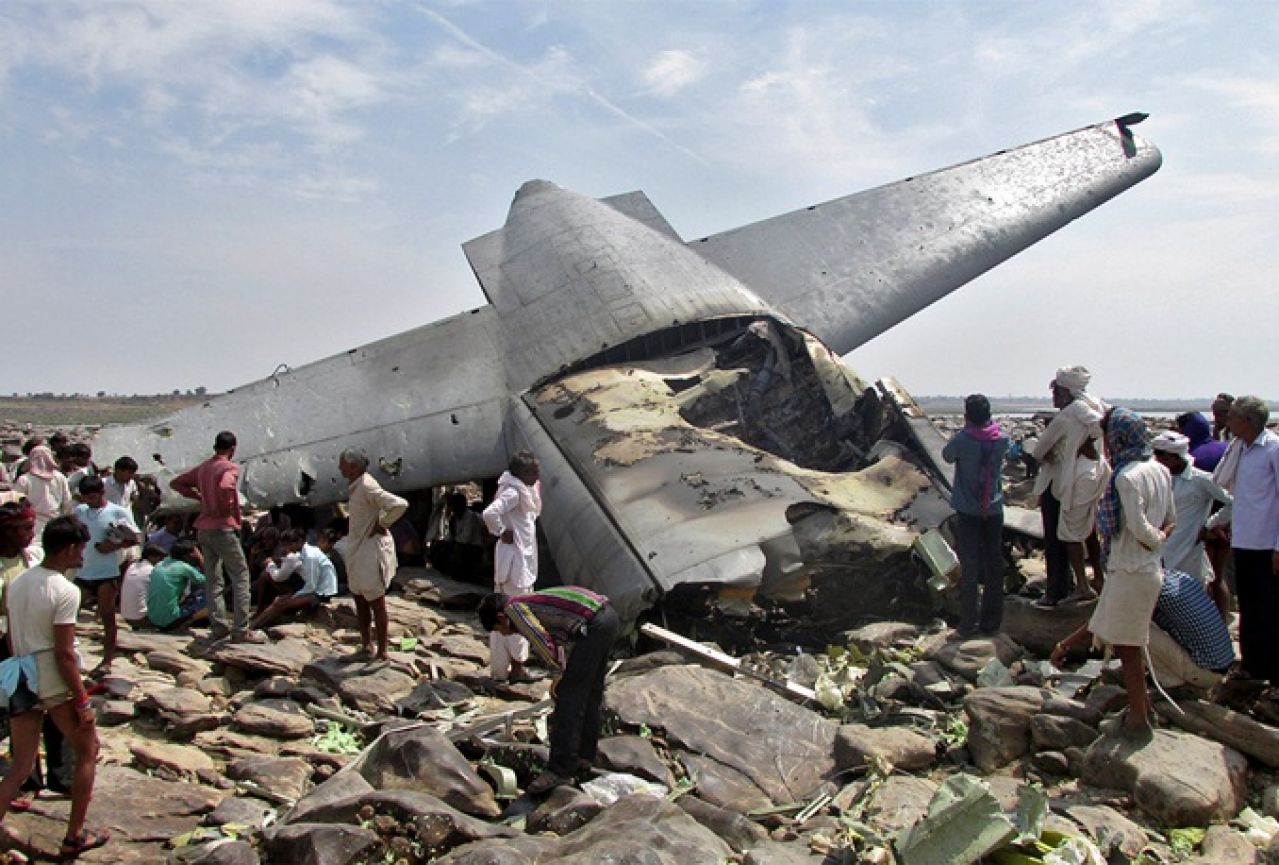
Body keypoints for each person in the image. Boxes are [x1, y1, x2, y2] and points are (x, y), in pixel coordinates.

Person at [1052, 408, 1174, 740]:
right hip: (1148, 569)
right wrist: (1160, 540)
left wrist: (1154, 540)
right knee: (1133, 640)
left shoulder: (1126, 477)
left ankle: (1137, 720)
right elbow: (1171, 518)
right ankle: (1143, 708)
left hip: (1130, 567)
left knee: (1128, 647)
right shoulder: (1159, 470)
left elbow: (1137, 527)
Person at [0, 515, 108, 858]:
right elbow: (64, 654)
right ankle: (74, 836)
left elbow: (13, 635)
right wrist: (82, 701)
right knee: (87, 750)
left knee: (21, 765)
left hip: (19, 673)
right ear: (70, 548)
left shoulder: (18, 582)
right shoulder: (65, 590)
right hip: (51, 675)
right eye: (81, 549)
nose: (82, 557)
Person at [478, 587, 619, 794]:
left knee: (568, 700)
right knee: (589, 694)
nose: (505, 633)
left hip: (593, 624)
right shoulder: (532, 603)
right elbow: (559, 641)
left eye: (500, 630)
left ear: (500, 617)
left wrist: (557, 676)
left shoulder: (514, 610)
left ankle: (559, 770)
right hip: (607, 618)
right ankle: (583, 756)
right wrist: (561, 671)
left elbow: (541, 641)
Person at [170, 431, 265, 644]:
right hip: (223, 527)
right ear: (233, 449)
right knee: (240, 575)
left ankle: (218, 626)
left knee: (213, 579)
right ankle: (241, 629)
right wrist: (225, 507)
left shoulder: (204, 467)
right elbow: (225, 485)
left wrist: (199, 497)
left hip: (204, 527)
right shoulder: (230, 467)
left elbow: (177, 483)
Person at [1213, 396, 1279, 683]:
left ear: (1248, 421)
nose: (1228, 421)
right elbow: (1223, 484)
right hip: (1246, 541)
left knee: (1270, 608)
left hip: (1268, 544)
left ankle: (1273, 670)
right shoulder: (1240, 448)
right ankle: (1252, 666)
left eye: (1234, 417)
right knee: (1250, 608)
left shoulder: (1273, 449)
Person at [1030, 365, 1106, 608]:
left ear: (1064, 392)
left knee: (1058, 538)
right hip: (1092, 478)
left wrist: (1050, 453)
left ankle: (1059, 590)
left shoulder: (1067, 415)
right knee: (1088, 531)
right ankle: (1098, 580)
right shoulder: (1097, 408)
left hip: (1060, 483)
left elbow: (1039, 450)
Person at [941, 394, 1009, 636]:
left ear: (967, 415)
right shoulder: (1002, 439)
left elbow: (947, 456)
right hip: (994, 509)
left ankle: (968, 623)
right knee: (993, 564)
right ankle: (991, 623)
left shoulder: (963, 440)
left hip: (968, 510)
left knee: (969, 565)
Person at [1151, 431, 1233, 616]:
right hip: (1163, 547)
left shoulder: (1201, 479)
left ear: (1174, 457)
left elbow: (1233, 502)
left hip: (1188, 551)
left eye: (1160, 456)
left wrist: (1211, 524)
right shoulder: (1161, 476)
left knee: (1192, 603)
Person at [339, 449, 407, 660]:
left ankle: (383, 651)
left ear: (352, 466)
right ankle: (366, 645)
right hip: (357, 548)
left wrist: (382, 523)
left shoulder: (367, 485)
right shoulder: (357, 485)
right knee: (359, 597)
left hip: (369, 549)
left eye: (342, 464)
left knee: (376, 601)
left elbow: (399, 504)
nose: (340, 468)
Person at [483, 451, 542, 681]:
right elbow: (490, 513)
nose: (537, 475)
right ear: (522, 473)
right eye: (533, 471)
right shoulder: (513, 491)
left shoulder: (525, 489)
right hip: (514, 563)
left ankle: (502, 669)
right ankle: (517, 667)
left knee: (505, 614)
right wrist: (501, 531)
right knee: (517, 615)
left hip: (519, 560)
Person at [73, 476, 138, 676]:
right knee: (69, 614)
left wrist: (112, 546)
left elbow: (134, 538)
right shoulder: (80, 511)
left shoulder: (117, 511)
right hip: (83, 570)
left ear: (101, 493)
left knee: (107, 616)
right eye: (86, 498)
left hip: (106, 572)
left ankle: (107, 659)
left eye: (93, 497)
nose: (90, 501)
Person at [1146, 569, 1235, 693]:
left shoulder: (1157, 591)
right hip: (1220, 664)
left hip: (1206, 672)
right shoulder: (1178, 576)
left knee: (1134, 630)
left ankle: (1170, 683)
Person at [250, 529, 338, 631]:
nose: (286, 548)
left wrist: (292, 598)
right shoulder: (299, 552)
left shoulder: (310, 556)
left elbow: (311, 586)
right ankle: (259, 613)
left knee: (279, 603)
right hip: (305, 586)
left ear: (299, 542)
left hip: (320, 592)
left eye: (288, 545)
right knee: (266, 576)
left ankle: (254, 627)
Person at [1059, 436, 1110, 602]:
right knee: (1089, 527)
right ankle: (1099, 578)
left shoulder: (1074, 418)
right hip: (1097, 466)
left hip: (1084, 474)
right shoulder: (1092, 418)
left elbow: (1041, 452)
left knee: (1070, 532)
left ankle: (1082, 585)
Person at [146, 539, 209, 631]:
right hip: (169, 621)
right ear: (190, 554)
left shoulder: (160, 564)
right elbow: (210, 584)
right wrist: (200, 559)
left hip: (153, 619)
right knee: (210, 596)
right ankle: (185, 623)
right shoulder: (184, 567)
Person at [14, 445, 72, 544]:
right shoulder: (60, 477)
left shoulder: (24, 480)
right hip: (55, 524)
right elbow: (67, 503)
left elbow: (17, 505)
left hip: (33, 526)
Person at [120, 544, 166, 628]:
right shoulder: (152, 570)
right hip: (141, 618)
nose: (161, 562)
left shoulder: (132, 566)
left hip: (126, 615)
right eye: (160, 559)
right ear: (151, 557)